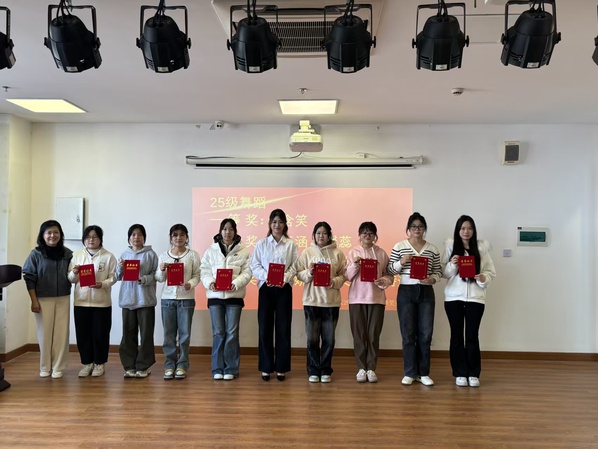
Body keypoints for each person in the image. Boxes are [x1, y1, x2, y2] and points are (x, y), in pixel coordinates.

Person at [442, 215, 496, 388]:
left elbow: (490, 272)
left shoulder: (481, 248)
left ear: (474, 230)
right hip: (454, 298)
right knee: (457, 336)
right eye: (463, 228)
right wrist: (452, 264)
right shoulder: (451, 247)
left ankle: (473, 373)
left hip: (475, 298)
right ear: (458, 230)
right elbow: (443, 272)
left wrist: (482, 278)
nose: (466, 231)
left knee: (472, 336)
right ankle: (459, 372)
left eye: (470, 228)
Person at [388, 212, 441, 386]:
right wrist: (402, 262)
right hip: (406, 291)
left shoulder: (432, 249)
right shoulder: (399, 246)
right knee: (408, 333)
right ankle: (410, 372)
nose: (417, 229)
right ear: (408, 229)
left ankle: (423, 373)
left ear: (424, 229)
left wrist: (433, 279)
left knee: (425, 333)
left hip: (426, 292)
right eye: (413, 227)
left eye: (420, 227)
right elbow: (390, 270)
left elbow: (438, 271)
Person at [200, 219, 252, 381]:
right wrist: (210, 282)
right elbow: (204, 270)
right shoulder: (211, 250)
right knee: (218, 333)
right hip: (215, 297)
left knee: (232, 333)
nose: (227, 232)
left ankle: (231, 368)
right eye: (224, 229)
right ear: (220, 231)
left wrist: (236, 283)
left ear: (235, 231)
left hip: (234, 297)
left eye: (230, 229)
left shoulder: (243, 251)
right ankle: (217, 368)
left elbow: (248, 272)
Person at [296, 222, 347, 383]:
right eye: (318, 233)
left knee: (329, 340)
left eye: (324, 233)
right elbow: (299, 274)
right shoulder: (307, 253)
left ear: (329, 235)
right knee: (312, 339)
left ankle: (325, 369)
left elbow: (344, 275)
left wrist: (334, 282)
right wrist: (309, 272)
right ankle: (313, 369)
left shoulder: (338, 253)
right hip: (311, 301)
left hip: (331, 302)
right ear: (314, 235)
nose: (321, 236)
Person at [251, 209, 298, 381]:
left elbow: (295, 266)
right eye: (274, 222)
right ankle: (266, 367)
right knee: (264, 327)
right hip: (266, 288)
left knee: (283, 328)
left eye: (280, 222)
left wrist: (284, 278)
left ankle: (281, 368)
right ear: (270, 224)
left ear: (285, 224)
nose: (277, 225)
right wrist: (267, 277)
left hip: (284, 288)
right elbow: (255, 265)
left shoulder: (291, 245)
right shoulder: (261, 244)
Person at [22, 220, 73, 379]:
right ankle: (45, 366)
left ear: (60, 234)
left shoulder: (67, 254)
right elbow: (29, 277)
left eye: (56, 232)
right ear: (42, 235)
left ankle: (58, 367)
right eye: (49, 232)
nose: (52, 235)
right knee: (44, 334)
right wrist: (34, 300)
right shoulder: (35, 254)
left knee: (61, 334)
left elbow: (72, 275)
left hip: (63, 297)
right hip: (42, 298)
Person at [345, 222, 393, 383]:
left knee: (373, 335)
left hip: (376, 298)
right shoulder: (353, 252)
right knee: (359, 335)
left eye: (370, 233)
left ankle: (371, 368)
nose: (367, 235)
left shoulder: (381, 253)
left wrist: (385, 281)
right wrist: (355, 264)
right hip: (356, 298)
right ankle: (361, 368)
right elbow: (347, 276)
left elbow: (389, 275)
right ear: (359, 235)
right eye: (364, 233)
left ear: (375, 236)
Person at [68, 225, 117, 378]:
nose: (91, 240)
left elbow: (114, 277)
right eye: (88, 237)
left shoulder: (108, 256)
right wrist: (74, 272)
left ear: (100, 239)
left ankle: (99, 363)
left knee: (100, 334)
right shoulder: (77, 256)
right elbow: (70, 279)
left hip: (101, 303)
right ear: (84, 239)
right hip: (81, 302)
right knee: (83, 335)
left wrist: (102, 284)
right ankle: (86, 363)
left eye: (95, 237)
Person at [155, 223, 201, 380]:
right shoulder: (164, 256)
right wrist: (161, 269)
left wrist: (190, 284)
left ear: (187, 237)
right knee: (168, 335)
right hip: (167, 299)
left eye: (182, 235)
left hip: (186, 300)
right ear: (170, 238)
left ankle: (182, 365)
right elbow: (159, 278)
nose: (178, 238)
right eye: (175, 235)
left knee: (184, 335)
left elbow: (197, 275)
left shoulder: (192, 255)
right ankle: (169, 365)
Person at [115, 224, 159, 379]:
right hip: (128, 300)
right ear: (129, 237)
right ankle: (129, 366)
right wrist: (120, 267)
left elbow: (156, 275)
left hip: (145, 300)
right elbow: (117, 276)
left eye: (139, 234)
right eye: (133, 234)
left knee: (146, 335)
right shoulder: (124, 254)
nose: (136, 237)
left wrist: (144, 279)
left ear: (144, 237)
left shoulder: (151, 254)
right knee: (128, 334)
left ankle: (144, 366)